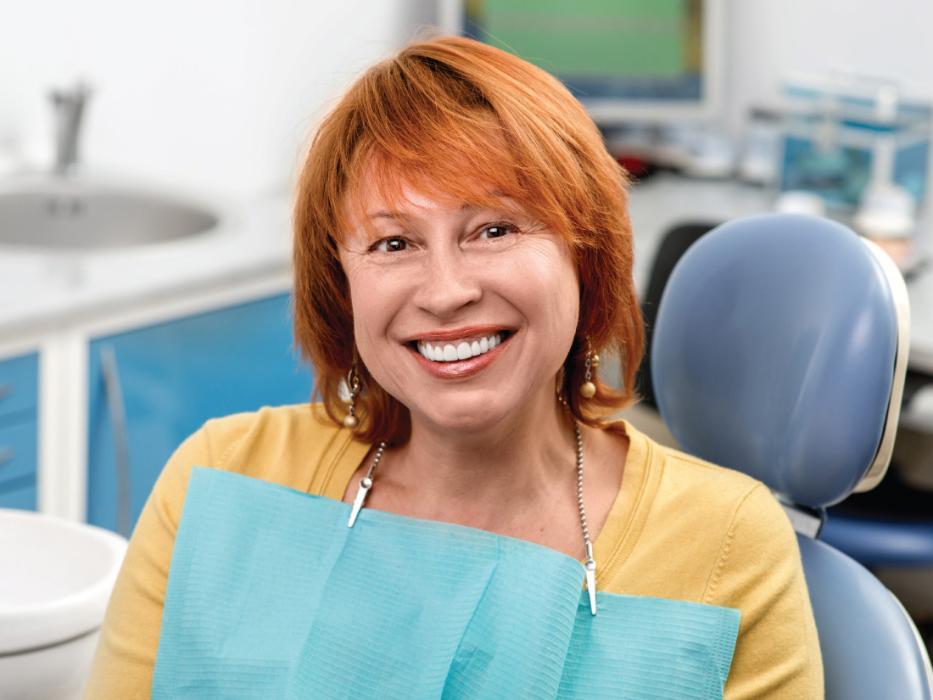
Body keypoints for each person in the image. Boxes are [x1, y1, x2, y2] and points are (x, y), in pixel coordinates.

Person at [84, 35, 823, 698]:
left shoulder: (728, 546)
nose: (444, 292)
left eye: (493, 229)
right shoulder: (219, 480)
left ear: (585, 258)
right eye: (392, 244)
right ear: (341, 288)